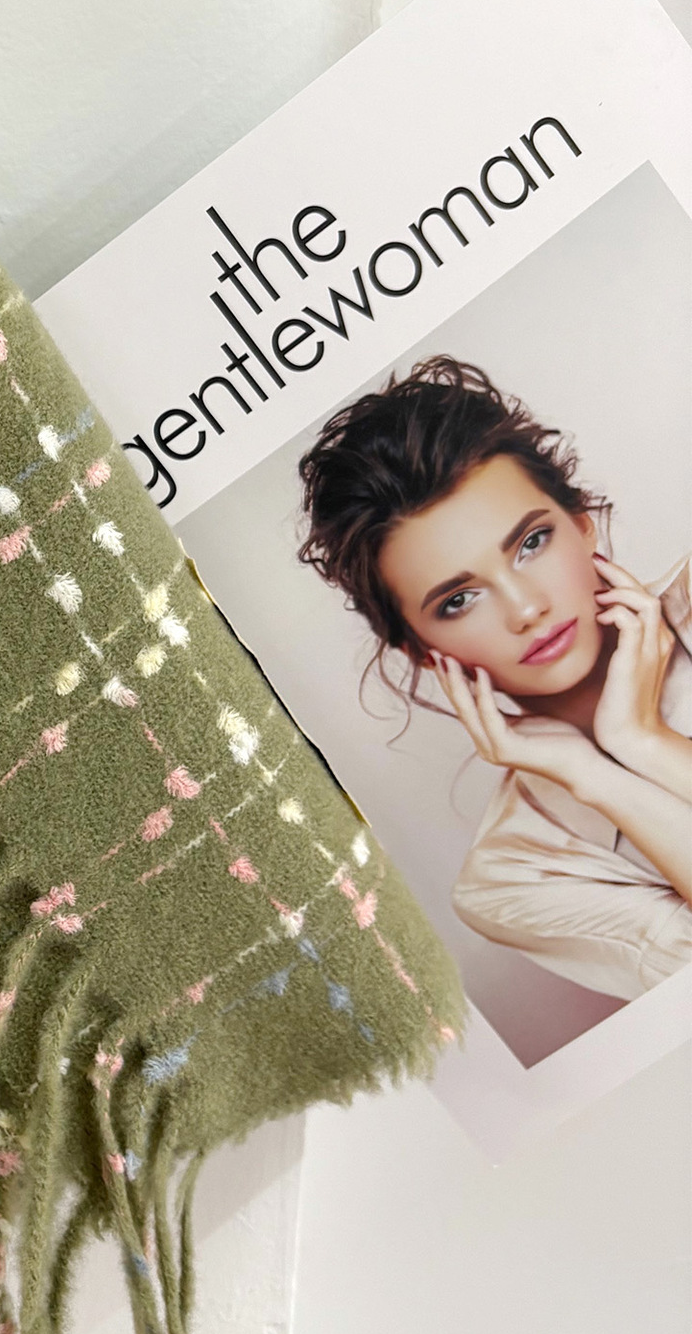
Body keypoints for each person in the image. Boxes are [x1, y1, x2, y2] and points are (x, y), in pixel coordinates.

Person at [295, 356, 692, 1003]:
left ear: (581, 524)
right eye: (458, 600)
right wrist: (598, 775)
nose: (526, 608)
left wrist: (644, 739)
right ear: (421, 650)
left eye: (531, 542)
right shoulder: (511, 876)